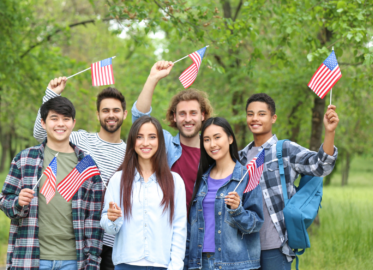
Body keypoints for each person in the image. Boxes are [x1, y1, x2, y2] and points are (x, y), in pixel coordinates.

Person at [0, 96, 104, 270]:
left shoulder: (86, 165)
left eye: (66, 119)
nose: (60, 124)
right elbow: (4, 201)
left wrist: (92, 263)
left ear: (73, 122)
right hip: (31, 256)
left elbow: (94, 221)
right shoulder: (25, 159)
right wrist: (17, 202)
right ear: (43, 123)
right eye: (54, 118)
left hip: (73, 260)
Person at [33, 77, 128, 270]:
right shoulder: (80, 140)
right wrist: (51, 94)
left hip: (113, 241)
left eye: (116, 110)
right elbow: (42, 134)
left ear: (124, 114)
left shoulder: (130, 153)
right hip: (81, 238)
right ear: (97, 114)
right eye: (106, 110)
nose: (111, 115)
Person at [238, 93, 339, 270]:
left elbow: (321, 166)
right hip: (244, 247)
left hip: (274, 247)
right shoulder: (240, 157)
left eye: (261, 114)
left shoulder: (284, 150)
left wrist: (329, 132)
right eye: (250, 114)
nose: (255, 118)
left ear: (273, 118)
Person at [101, 116, 187, 270]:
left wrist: (176, 266)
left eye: (152, 137)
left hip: (163, 265)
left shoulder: (175, 181)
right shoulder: (117, 179)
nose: (145, 143)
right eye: (139, 137)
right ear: (132, 141)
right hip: (126, 264)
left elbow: (179, 227)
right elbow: (108, 227)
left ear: (160, 141)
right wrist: (112, 219)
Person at [132, 61, 213, 211]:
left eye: (193, 113)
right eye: (182, 114)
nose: (188, 119)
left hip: (203, 228)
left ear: (202, 115)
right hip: (171, 226)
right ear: (174, 117)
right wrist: (153, 78)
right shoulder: (166, 143)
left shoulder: (213, 149)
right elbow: (139, 120)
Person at [185, 117, 264, 270]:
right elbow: (191, 227)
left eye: (217, 137)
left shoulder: (245, 176)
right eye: (206, 139)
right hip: (200, 263)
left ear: (230, 138)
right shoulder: (201, 180)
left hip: (235, 264)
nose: (212, 144)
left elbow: (256, 223)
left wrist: (237, 210)